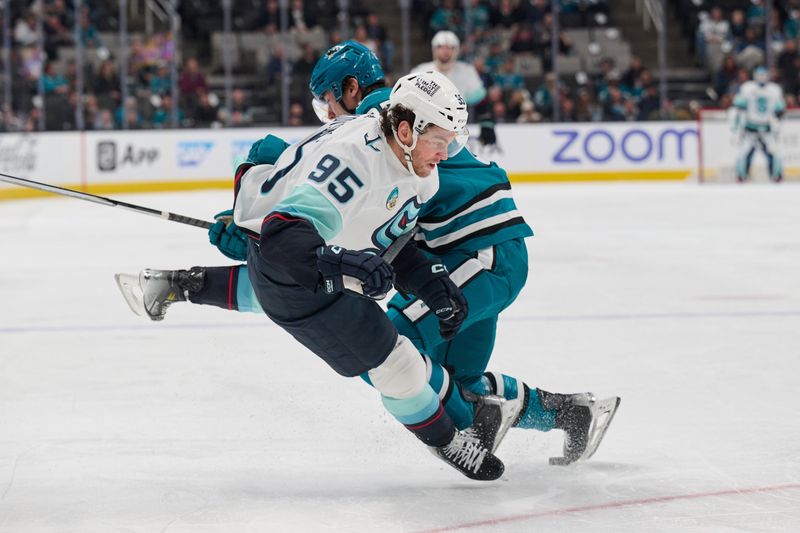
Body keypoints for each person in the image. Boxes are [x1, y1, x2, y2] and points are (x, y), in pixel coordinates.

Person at [116, 41, 619, 467]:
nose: (326, 116)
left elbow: (294, 178)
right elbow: (309, 227)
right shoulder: (385, 116)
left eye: (325, 103)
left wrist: (248, 221)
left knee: (385, 348)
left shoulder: (376, 127)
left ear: (351, 91)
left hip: (472, 250)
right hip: (470, 252)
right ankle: (571, 413)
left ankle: (473, 425)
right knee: (449, 375)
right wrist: (256, 231)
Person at [731, 66, 785, 182]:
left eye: (763, 75)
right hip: (750, 127)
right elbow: (739, 107)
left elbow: (780, 110)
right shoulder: (747, 88)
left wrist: (777, 123)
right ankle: (741, 175)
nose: (761, 78)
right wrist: (737, 125)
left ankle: (776, 175)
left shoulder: (774, 89)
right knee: (744, 152)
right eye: (759, 76)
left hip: (767, 127)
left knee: (774, 152)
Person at [412, 31, 486, 106]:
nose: (445, 51)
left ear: (456, 50)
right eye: (440, 47)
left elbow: (478, 93)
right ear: (434, 49)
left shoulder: (467, 70)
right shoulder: (421, 71)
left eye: (450, 47)